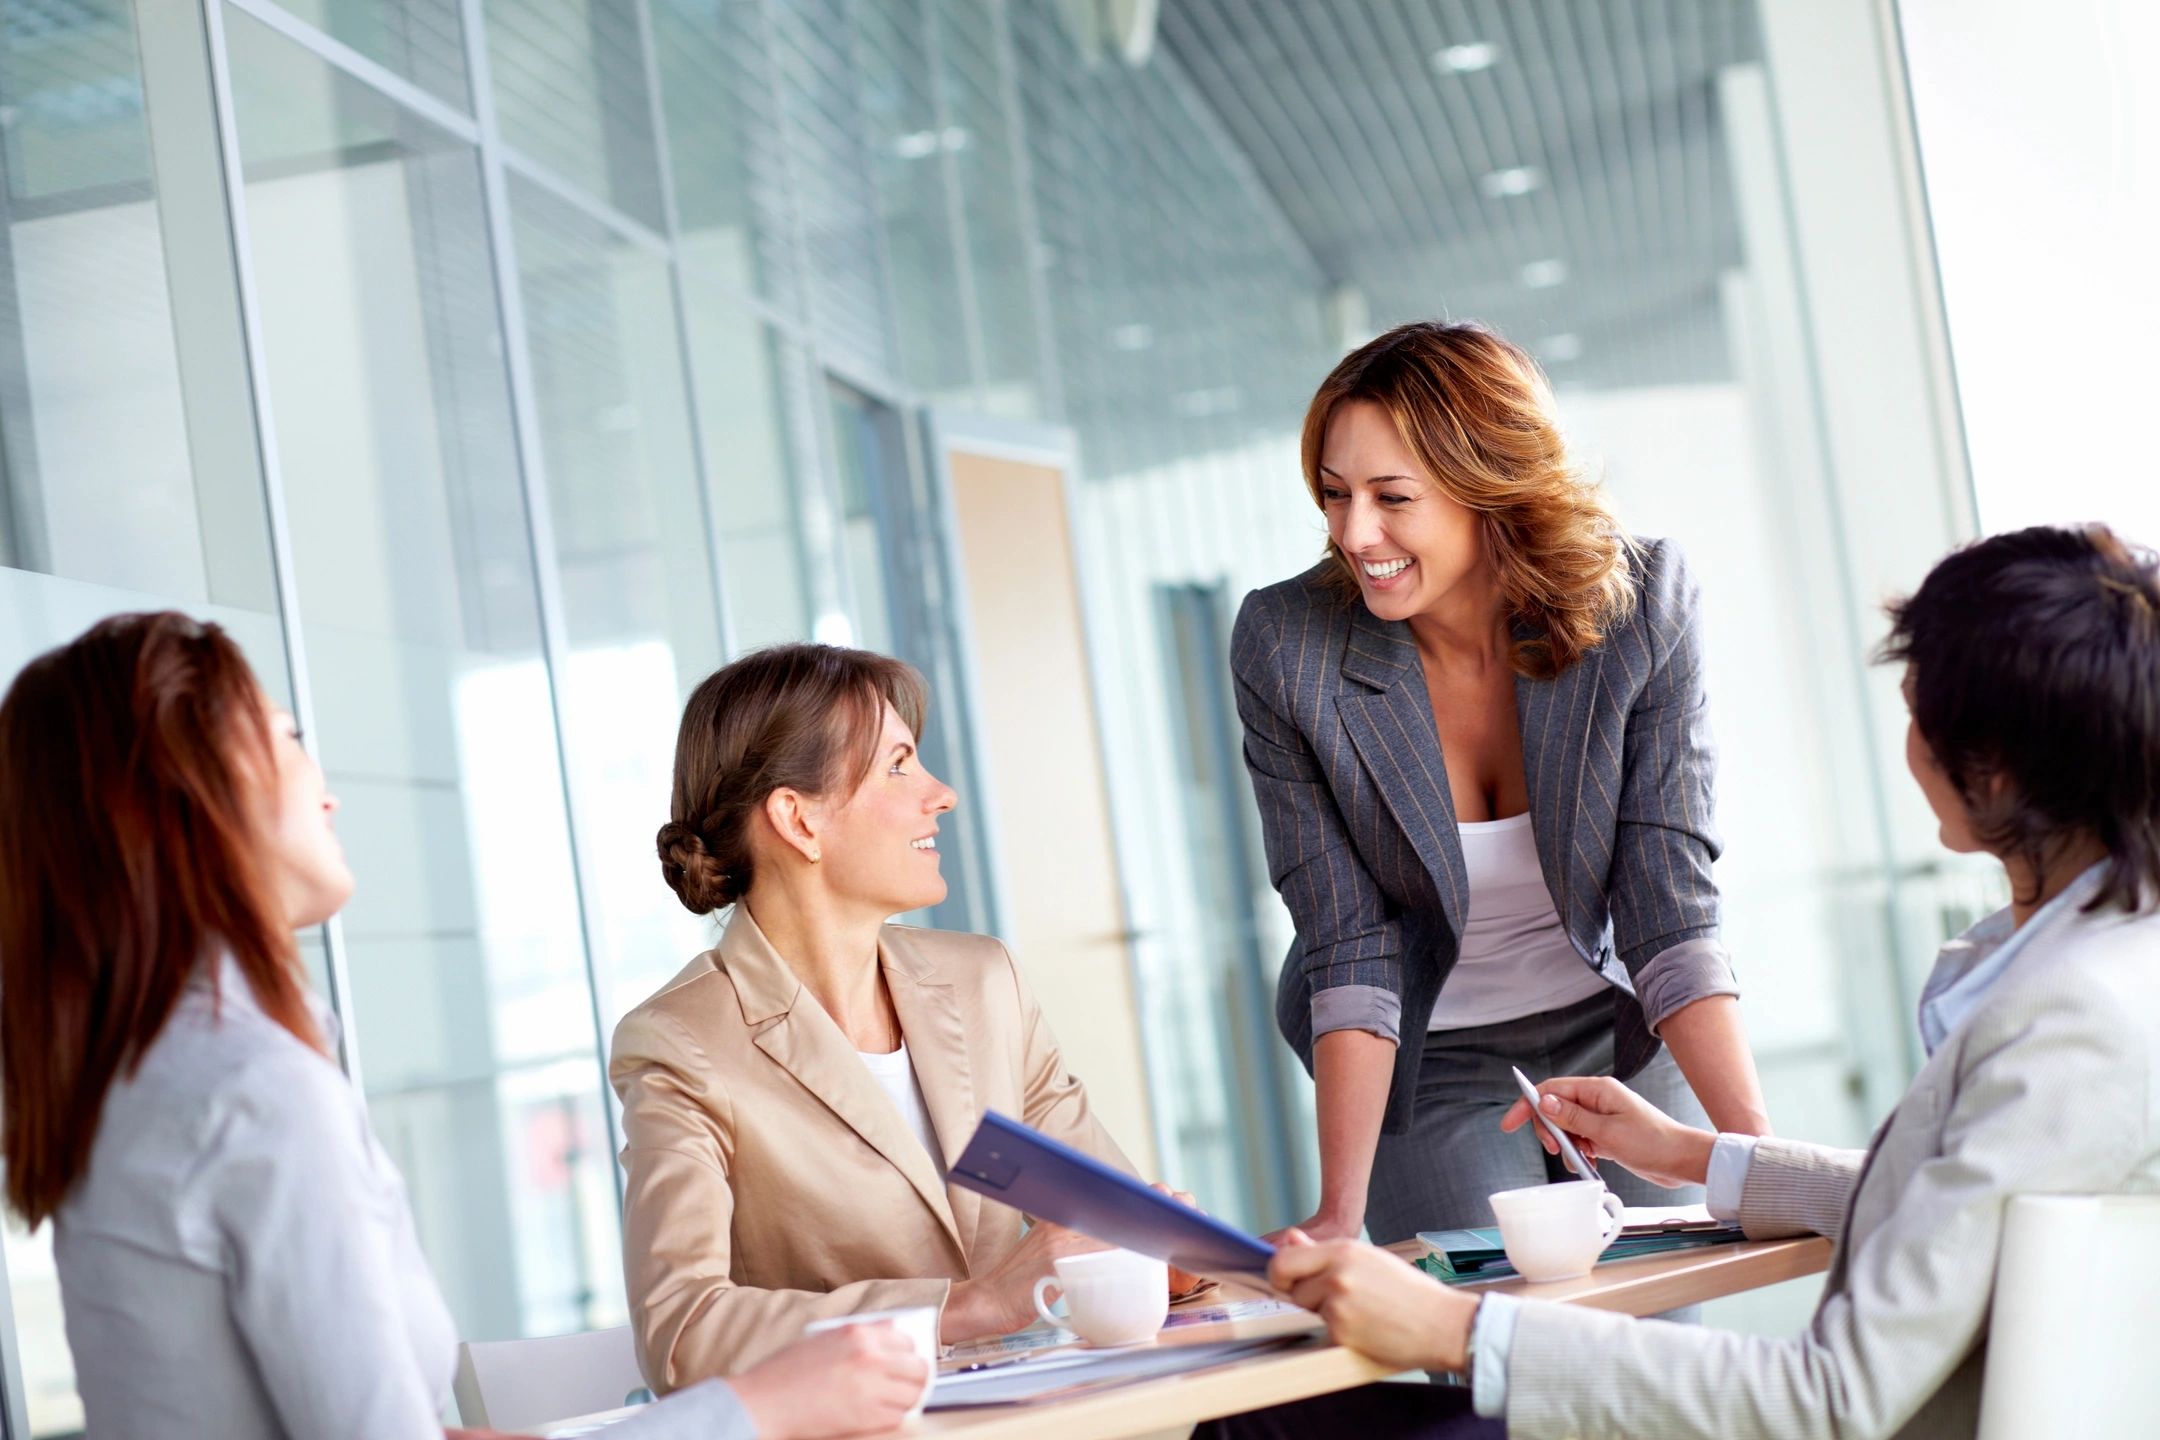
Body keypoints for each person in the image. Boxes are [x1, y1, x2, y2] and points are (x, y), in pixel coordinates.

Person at [1264, 524, 2160, 1438]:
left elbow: (1830, 1402)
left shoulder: (2071, 1023)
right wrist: (1697, 1156)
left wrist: (1460, 1327)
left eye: (1917, 706)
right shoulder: (2115, 974)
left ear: (1994, 769)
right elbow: (1961, 1209)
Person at [0, 613, 929, 1440]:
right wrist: (762, 1408)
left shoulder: (151, 1075)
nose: (325, 788)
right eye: (287, 739)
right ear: (187, 792)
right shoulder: (251, 1092)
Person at [1230, 320, 1771, 1244]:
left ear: (1491, 487)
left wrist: (1758, 1157)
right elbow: (1346, 937)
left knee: (1652, 1348)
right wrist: (1339, 1216)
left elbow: (1666, 899)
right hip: (1429, 1050)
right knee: (1495, 1343)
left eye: (1391, 497)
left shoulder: (1640, 606)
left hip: (1621, 1031)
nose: (1355, 534)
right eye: (1334, 494)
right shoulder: (1289, 647)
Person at [615, 644, 1203, 1393]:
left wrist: (1163, 1251)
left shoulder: (983, 981)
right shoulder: (681, 1045)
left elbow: (1100, 1218)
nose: (942, 793)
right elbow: (683, 1332)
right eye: (899, 765)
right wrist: (976, 1304)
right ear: (798, 820)